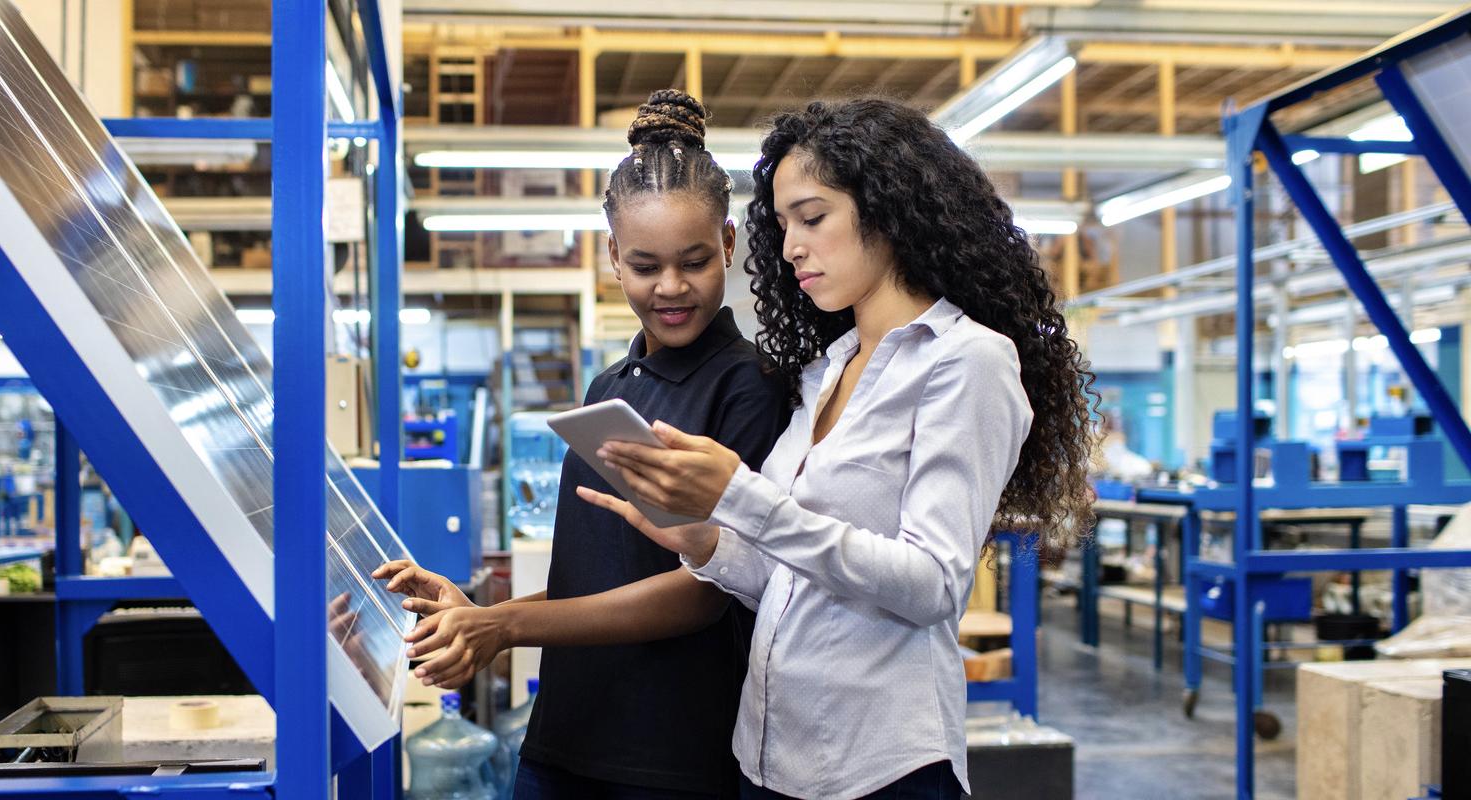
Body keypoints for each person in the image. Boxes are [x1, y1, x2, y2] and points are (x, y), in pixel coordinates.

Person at [579, 98, 1100, 800]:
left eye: (812, 217)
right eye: (784, 222)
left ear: (886, 210)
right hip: (770, 760)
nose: (791, 245)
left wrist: (741, 495)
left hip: (883, 768)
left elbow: (932, 584)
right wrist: (706, 540)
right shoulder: (829, 371)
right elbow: (791, 581)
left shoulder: (965, 363)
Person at [373, 89, 791, 799]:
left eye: (693, 260)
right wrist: (476, 611)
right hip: (563, 740)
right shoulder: (609, 388)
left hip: (667, 759)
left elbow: (704, 593)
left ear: (728, 242)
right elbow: (597, 577)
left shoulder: (747, 387)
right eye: (644, 264)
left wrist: (504, 625)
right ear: (612, 256)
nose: (671, 287)